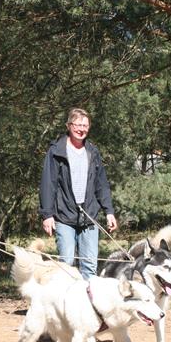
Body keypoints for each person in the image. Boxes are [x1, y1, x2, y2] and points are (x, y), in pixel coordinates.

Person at [39, 107, 118, 279]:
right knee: (66, 264)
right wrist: (47, 215)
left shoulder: (92, 152)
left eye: (85, 126)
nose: (81, 129)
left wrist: (109, 211)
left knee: (90, 266)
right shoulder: (56, 151)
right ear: (69, 125)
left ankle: (87, 297)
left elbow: (101, 184)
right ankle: (65, 296)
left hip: (89, 216)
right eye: (78, 125)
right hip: (64, 216)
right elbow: (48, 184)